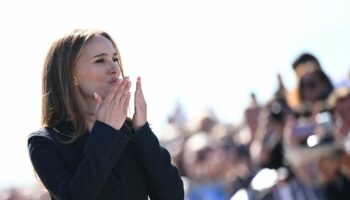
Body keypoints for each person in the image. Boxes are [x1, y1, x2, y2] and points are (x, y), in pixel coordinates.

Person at [27, 29, 184, 200]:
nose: (115, 68)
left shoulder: (132, 133)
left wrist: (143, 130)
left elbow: (172, 196)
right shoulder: (44, 142)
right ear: (71, 75)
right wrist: (106, 132)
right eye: (100, 60)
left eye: (115, 59)